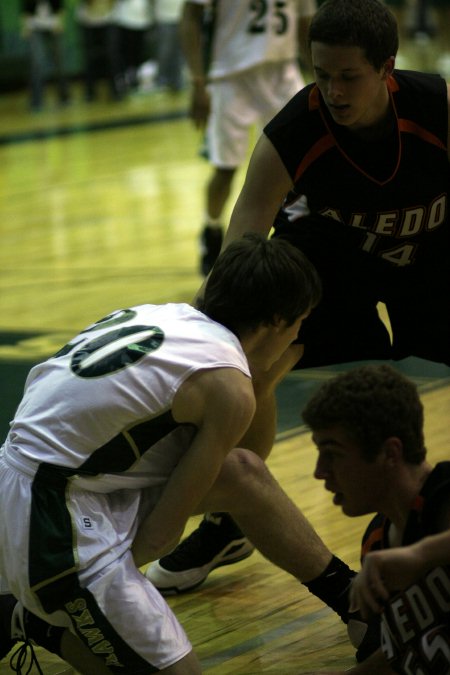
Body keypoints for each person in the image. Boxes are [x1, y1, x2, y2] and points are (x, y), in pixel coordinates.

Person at [147, 0, 450, 598]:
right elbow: (240, 249)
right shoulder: (293, 129)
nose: (332, 90)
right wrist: (207, 337)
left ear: (386, 68)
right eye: (321, 74)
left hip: (431, 252)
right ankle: (229, 519)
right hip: (332, 261)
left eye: (348, 76)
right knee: (250, 359)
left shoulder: (436, 106)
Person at [0, 235, 362, 674]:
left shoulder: (163, 315)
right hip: (49, 521)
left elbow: (245, 462)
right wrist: (99, 588)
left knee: (240, 472)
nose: (299, 335)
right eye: (299, 322)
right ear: (276, 323)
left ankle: (354, 600)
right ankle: (35, 615)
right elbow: (161, 535)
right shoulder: (227, 386)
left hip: (37, 483)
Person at [301, 363, 450, 674]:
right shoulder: (378, 543)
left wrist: (420, 554)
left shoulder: (442, 494)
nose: (319, 471)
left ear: (390, 453)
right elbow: (406, 651)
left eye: (333, 453)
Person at [180, 0, 316, 275]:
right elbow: (190, 15)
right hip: (230, 74)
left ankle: (300, 238)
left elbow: (305, 24)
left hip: (283, 72)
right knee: (225, 169)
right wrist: (197, 81)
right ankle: (212, 229)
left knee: (302, 168)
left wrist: (318, 74)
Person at [21, 0, 71, 111]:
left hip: (53, 23)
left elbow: (61, 9)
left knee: (60, 60)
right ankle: (36, 100)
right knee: (37, 62)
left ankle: (64, 96)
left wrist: (60, 23)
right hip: (34, 25)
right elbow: (25, 12)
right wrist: (25, 27)